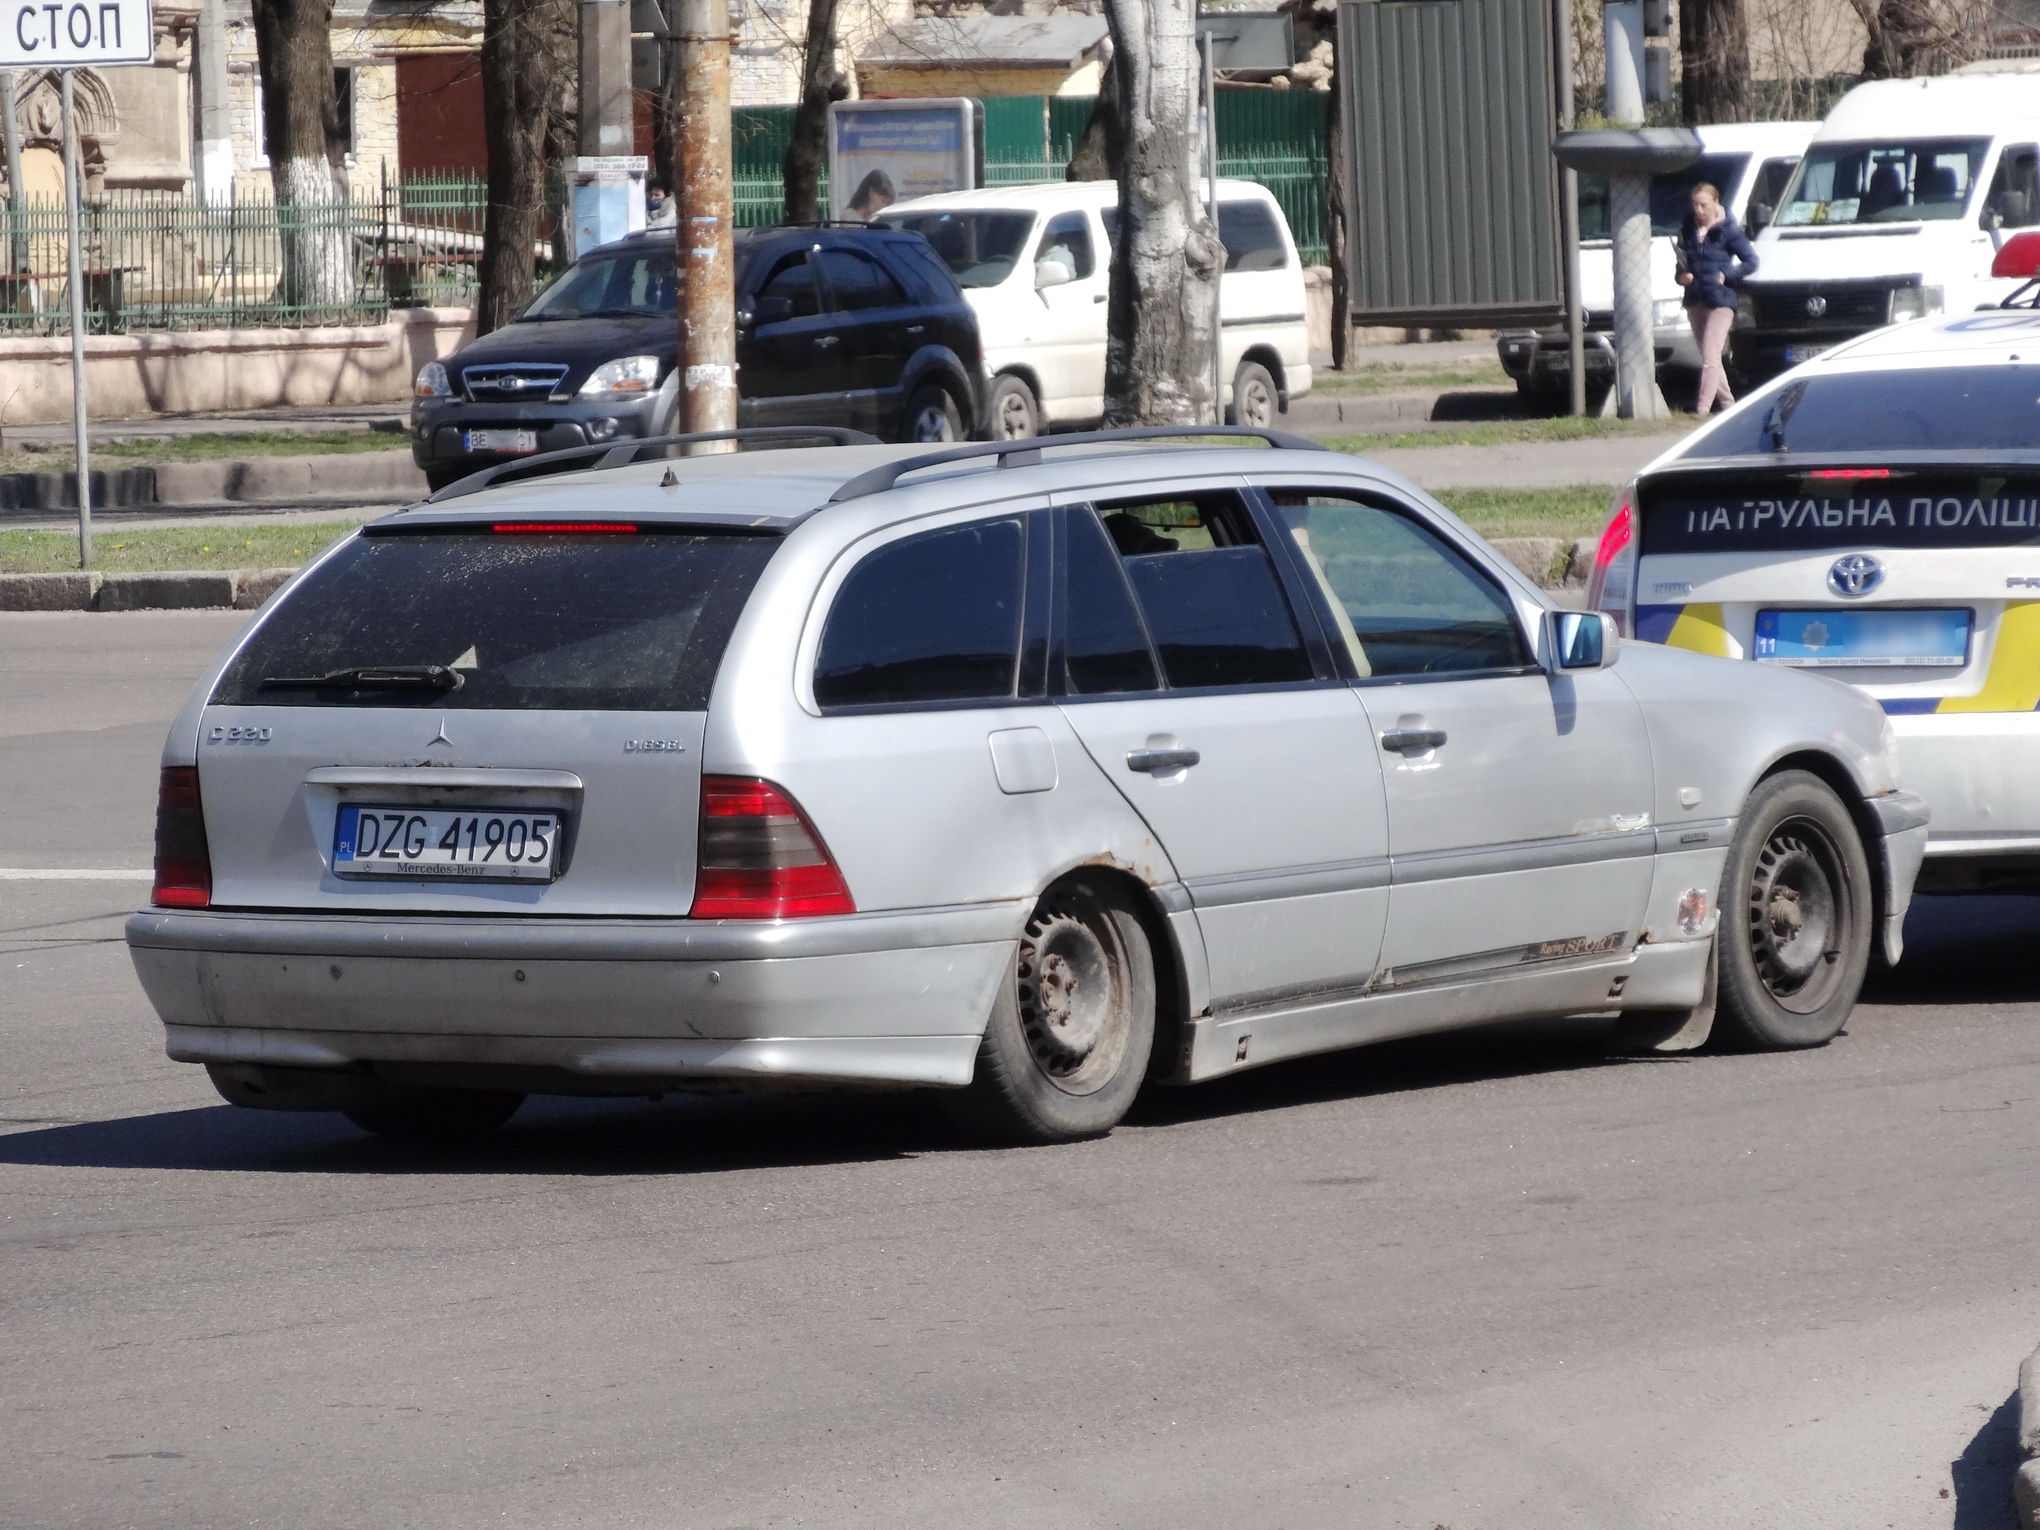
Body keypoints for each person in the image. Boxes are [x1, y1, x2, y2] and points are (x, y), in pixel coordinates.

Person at [1677, 181, 1758, 416]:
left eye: (1703, 205)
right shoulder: (1687, 230)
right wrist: (1682, 276)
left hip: (1721, 301)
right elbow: (1679, 266)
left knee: (1711, 357)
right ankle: (1728, 404)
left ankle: (1702, 409)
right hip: (1695, 300)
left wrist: (1728, 275)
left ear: (1715, 203)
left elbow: (1752, 261)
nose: (1698, 210)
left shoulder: (1727, 230)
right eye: (1695, 205)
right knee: (1709, 358)